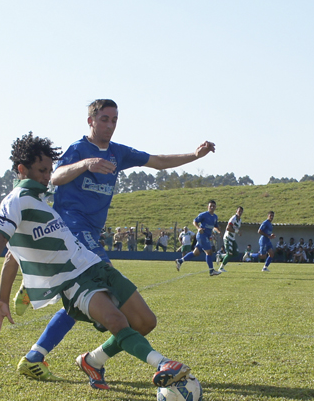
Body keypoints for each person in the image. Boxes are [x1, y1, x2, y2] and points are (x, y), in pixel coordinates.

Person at [0, 133, 191, 389]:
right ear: (21, 169)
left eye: (49, 170)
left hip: (95, 265)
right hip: (73, 281)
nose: (47, 177)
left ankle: (92, 361)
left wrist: (3, 299)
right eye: (41, 170)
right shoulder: (16, 201)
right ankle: (163, 364)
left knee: (145, 322)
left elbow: (12, 256)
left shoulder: (42, 201)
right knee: (117, 322)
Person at [11, 98, 215, 383]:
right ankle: (134, 360)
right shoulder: (78, 149)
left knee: (84, 300)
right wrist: (86, 164)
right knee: (106, 301)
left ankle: (48, 354)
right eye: (104, 119)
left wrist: (194, 155)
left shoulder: (119, 153)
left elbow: (157, 162)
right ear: (91, 121)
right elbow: (55, 177)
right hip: (72, 227)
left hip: (91, 235)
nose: (110, 125)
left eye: (114, 120)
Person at [175, 200, 222, 276]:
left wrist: (219, 232)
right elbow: (195, 221)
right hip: (202, 236)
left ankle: (180, 261)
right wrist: (198, 228)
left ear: (215, 207)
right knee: (209, 252)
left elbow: (215, 226)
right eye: (211, 206)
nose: (212, 207)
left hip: (206, 236)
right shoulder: (204, 215)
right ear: (208, 207)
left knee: (195, 253)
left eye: (213, 206)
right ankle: (211, 271)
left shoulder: (215, 217)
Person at [218, 207, 243, 272]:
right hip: (228, 237)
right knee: (229, 254)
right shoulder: (233, 218)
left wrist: (239, 232)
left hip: (233, 238)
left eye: (241, 212)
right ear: (236, 211)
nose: (240, 213)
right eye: (239, 211)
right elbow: (228, 228)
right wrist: (237, 231)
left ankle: (221, 256)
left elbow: (236, 229)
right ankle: (221, 268)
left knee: (236, 253)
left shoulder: (240, 220)